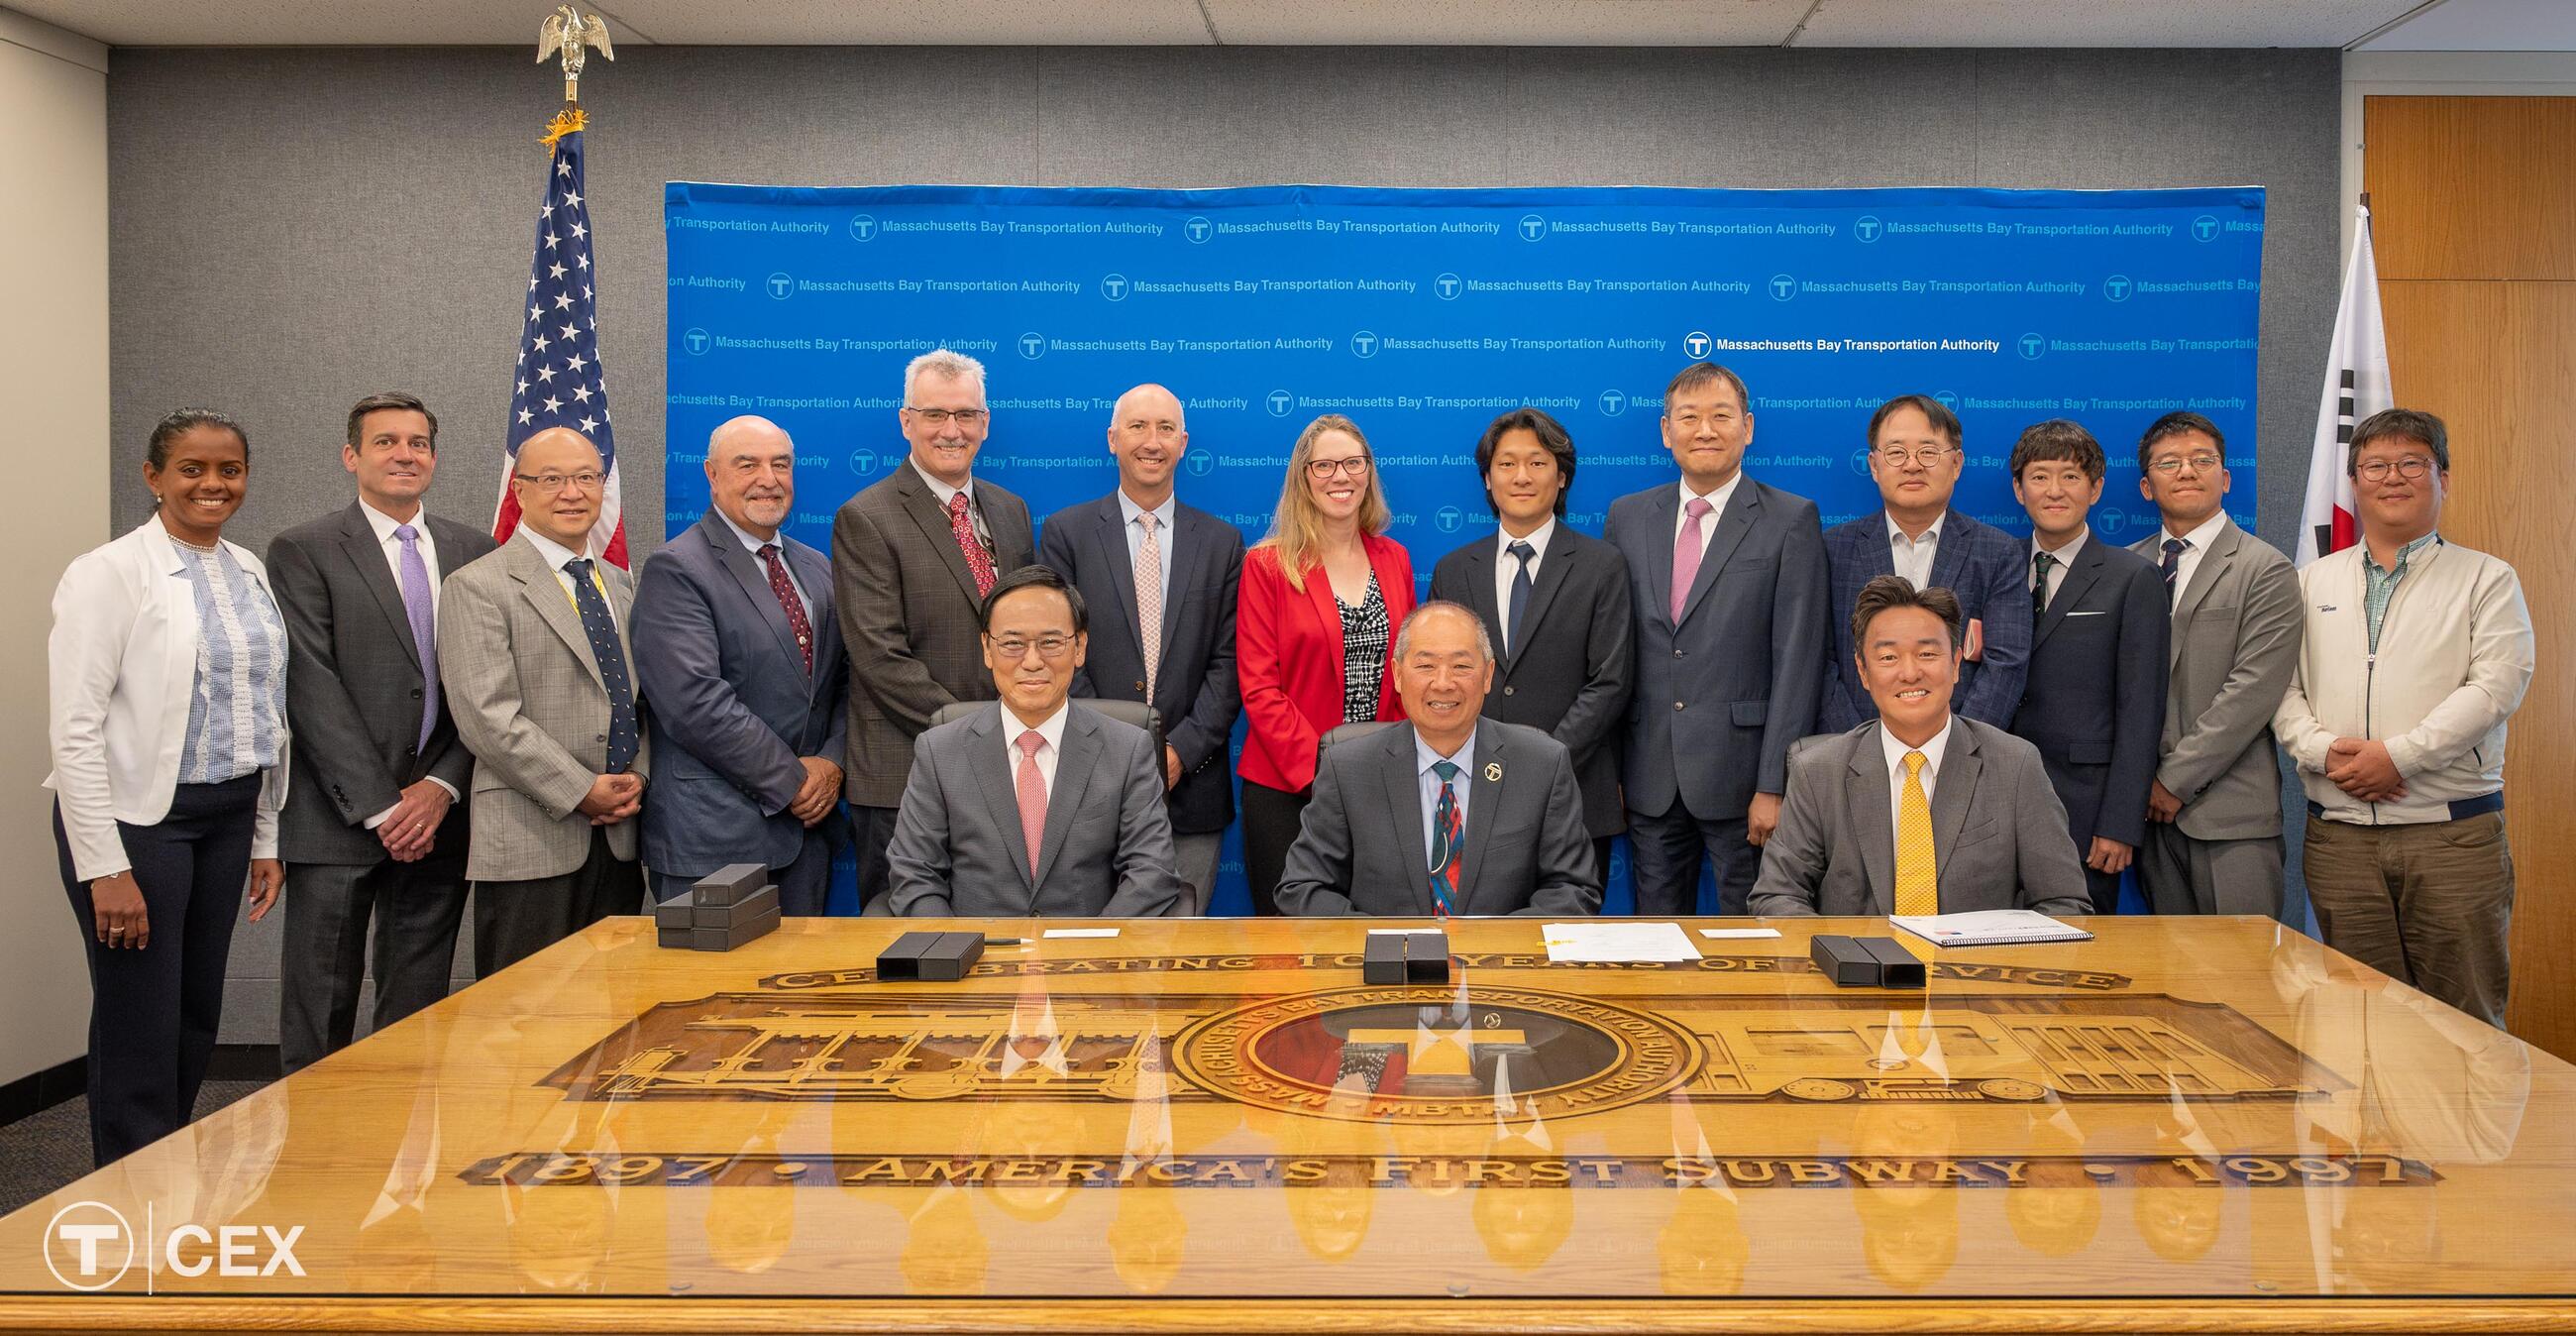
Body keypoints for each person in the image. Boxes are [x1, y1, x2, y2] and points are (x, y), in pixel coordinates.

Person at [48, 408, 287, 1165]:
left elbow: (265, 712)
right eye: (192, 469)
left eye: (229, 470)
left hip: (227, 816)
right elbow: (75, 729)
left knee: (193, 1015)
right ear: (154, 478)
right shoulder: (107, 573)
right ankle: (126, 1189)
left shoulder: (247, 570)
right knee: (138, 1017)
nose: (213, 484)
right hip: (136, 825)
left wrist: (265, 834)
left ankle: (166, 1164)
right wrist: (103, 866)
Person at [2276, 409, 2533, 1026]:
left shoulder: (2487, 579)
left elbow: (2496, 686)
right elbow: (2281, 689)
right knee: (2358, 1026)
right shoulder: (2311, 581)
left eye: (2412, 463)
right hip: (2339, 840)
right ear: (2354, 481)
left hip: (2450, 837)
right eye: (2375, 465)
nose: (2393, 477)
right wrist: (2324, 751)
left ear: (2443, 478)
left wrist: (2400, 757)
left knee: (2466, 1025)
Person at [267, 392, 495, 1074]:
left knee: (417, 1005)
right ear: (352, 457)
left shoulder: (473, 549)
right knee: (320, 1004)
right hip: (338, 819)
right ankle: (309, 1153)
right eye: (386, 442)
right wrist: (384, 805)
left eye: (418, 442)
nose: (404, 454)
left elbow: (483, 685)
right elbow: (310, 684)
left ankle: (398, 1152)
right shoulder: (303, 549)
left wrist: (440, 785)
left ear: (433, 456)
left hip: (440, 816)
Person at [1603, 362, 1829, 914]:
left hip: (1745, 778)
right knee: (1655, 942)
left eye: (1721, 416)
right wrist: (1610, 771)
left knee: (1748, 938)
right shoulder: (1628, 517)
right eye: (1689, 417)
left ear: (1747, 427)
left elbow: (1799, 658)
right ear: (1666, 431)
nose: (1705, 430)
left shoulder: (1790, 519)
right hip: (1649, 775)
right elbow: (1612, 653)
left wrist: (1775, 783)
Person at [1751, 577, 2090, 919]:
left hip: (1975, 968)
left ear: (1956, 664)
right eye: (1888, 657)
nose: (1910, 673)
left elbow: (2064, 904)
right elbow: (1777, 895)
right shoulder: (1818, 772)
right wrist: (1840, 958)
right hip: (1857, 969)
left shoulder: (2015, 765)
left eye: (1927, 654)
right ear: (1863, 671)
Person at [439, 427, 648, 975]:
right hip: (532, 838)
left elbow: (642, 699)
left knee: (614, 1016)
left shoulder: (621, 583)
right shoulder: (477, 586)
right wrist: (582, 790)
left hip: (621, 837)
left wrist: (637, 779)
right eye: (551, 479)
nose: (572, 492)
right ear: (519, 491)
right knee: (526, 1023)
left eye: (585, 477)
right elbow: (488, 719)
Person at [834, 349, 1037, 908]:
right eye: (935, 415)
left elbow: (1025, 638)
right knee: (906, 938)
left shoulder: (1010, 510)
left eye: (966, 415)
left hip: (1007, 766)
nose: (952, 430)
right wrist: (975, 735)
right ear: (906, 421)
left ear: (985, 423)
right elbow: (880, 658)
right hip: (905, 771)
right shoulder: (866, 516)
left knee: (996, 929)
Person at [1036, 384, 1243, 912]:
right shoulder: (1068, 533)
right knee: (1093, 951)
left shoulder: (1222, 543)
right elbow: (1060, 654)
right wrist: (1119, 750)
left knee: (1179, 949)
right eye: (1137, 427)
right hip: (1088, 778)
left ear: (1183, 443)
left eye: (1165, 429)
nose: (1152, 442)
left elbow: (1228, 665)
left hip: (1191, 787)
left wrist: (1178, 751)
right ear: (1111, 439)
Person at [633, 415, 848, 914]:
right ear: (712, 473)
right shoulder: (677, 568)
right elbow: (694, 704)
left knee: (798, 990)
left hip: (805, 838)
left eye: (781, 464)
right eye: (746, 464)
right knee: (711, 993)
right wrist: (794, 782)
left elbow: (844, 682)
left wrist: (832, 763)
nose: (767, 479)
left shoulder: (816, 567)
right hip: (713, 841)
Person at [884, 565, 1184, 918]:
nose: (1032, 661)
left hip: (1087, 962)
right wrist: (959, 956)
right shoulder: (939, 751)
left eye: (1051, 642)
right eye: (1012, 643)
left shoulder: (1128, 749)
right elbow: (915, 875)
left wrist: (1090, 954)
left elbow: (1152, 873)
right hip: (974, 960)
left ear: (1080, 647)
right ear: (987, 649)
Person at [1276, 602, 1600, 917]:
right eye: (1425, 665)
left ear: (1488, 675)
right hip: (1384, 969)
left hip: (1496, 968)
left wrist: (1490, 948)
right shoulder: (1348, 768)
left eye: (1461, 666)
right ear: (1398, 674)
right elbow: (1303, 889)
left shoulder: (1541, 764)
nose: (1443, 683)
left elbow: (1572, 890)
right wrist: (1389, 946)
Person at [1430, 407, 1633, 883]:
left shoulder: (1602, 566)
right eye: (1507, 463)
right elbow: (1441, 681)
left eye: (1538, 463)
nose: (1522, 476)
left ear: (1562, 478)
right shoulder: (1453, 570)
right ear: (1487, 479)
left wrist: (1540, 765)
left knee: (1568, 943)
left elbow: (1610, 682)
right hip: (1468, 789)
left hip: (1574, 790)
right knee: (1476, 944)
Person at [2124, 411, 2302, 918]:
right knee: (2176, 985)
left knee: (2247, 978)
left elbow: (2252, 692)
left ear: (2224, 478)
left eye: (2202, 460)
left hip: (2232, 817)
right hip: (2146, 817)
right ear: (2145, 485)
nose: (2186, 471)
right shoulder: (2126, 567)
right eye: (2170, 462)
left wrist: (2173, 781)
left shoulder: (2264, 568)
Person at [1237, 413, 1415, 914]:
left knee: (1371, 937)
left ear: (1369, 472)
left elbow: (1407, 674)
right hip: (1287, 790)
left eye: (1353, 463)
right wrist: (1326, 772)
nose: (1342, 476)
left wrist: (1379, 769)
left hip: (1378, 785)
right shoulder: (1267, 565)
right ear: (1303, 477)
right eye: (1325, 466)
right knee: (1288, 950)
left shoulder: (1395, 558)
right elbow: (1258, 687)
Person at [2002, 419, 2169, 915]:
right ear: (2018, 489)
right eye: (2040, 476)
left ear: (2095, 489)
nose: (2055, 491)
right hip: (1996, 795)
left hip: (2086, 803)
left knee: (2077, 947)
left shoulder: (2132, 576)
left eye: (2071, 477)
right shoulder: (1998, 565)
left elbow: (2142, 708)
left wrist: (2119, 822)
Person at [1822, 394, 2030, 733]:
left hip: (1964, 757)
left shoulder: (1997, 552)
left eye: (1928, 452)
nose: (1912, 465)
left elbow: (2006, 665)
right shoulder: (1833, 549)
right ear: (1874, 466)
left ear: (1957, 463)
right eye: (1896, 452)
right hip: (1853, 756)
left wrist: (1956, 747)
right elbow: (1819, 663)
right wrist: (1860, 747)